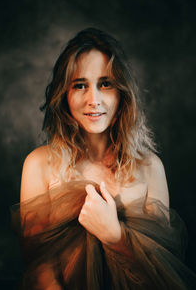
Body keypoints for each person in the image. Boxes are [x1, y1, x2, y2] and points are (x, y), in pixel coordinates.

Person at [12, 28, 196, 289]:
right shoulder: (38, 165)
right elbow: (39, 269)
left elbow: (158, 274)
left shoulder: (150, 167)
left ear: (122, 93)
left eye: (105, 84)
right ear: (64, 94)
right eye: (80, 85)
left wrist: (116, 237)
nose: (93, 100)